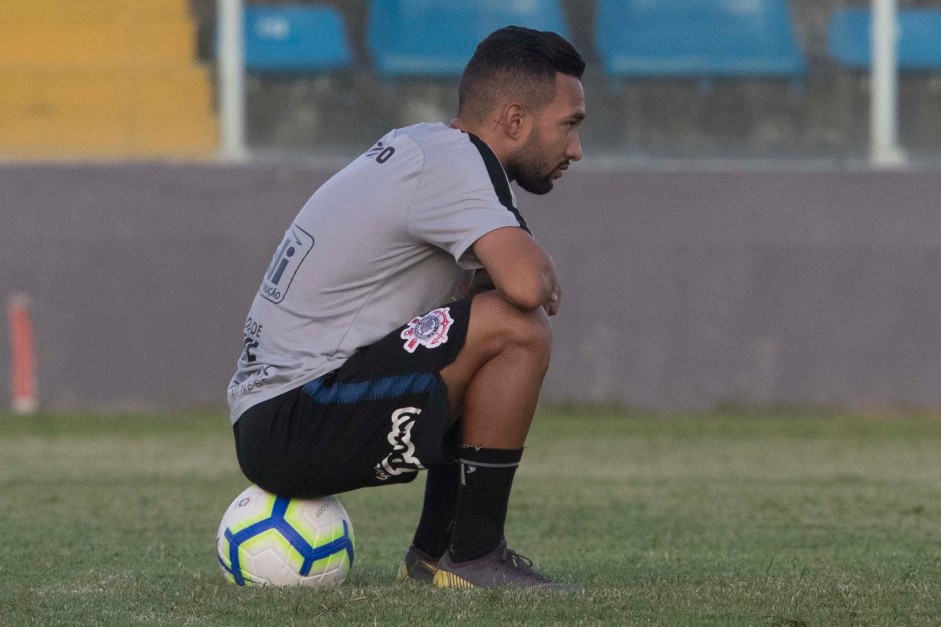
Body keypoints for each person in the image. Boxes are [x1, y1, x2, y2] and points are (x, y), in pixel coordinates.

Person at [227, 25, 586, 591]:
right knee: (517, 328)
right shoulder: (456, 165)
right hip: (294, 416)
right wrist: (536, 270)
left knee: (478, 315)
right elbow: (524, 286)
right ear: (516, 120)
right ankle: (474, 556)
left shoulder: (432, 149)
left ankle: (433, 553)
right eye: (569, 125)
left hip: (277, 413)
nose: (575, 149)